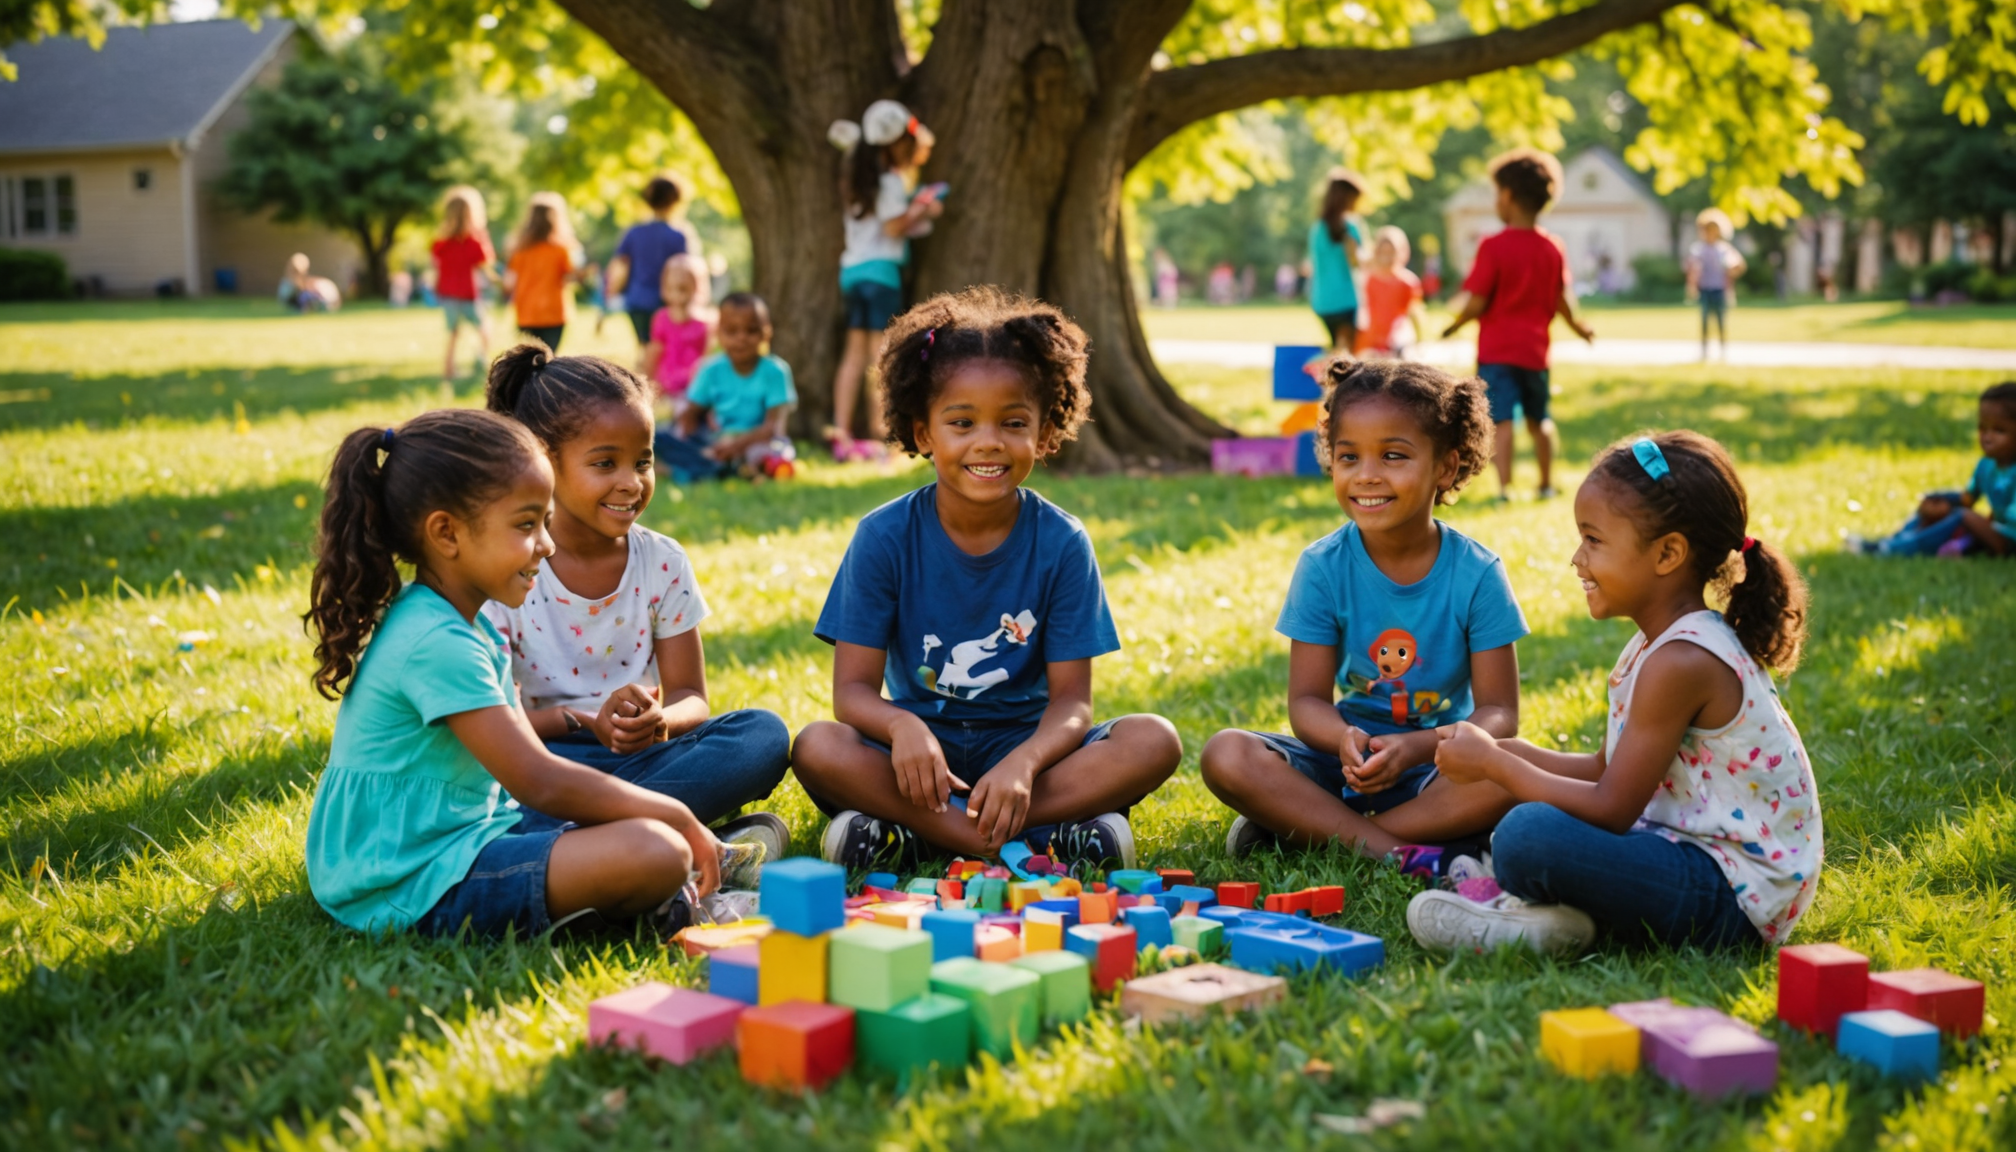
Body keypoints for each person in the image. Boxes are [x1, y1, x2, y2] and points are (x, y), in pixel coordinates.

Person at [792, 287, 1183, 871]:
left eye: (1013, 422)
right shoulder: (883, 537)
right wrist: (900, 726)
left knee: (1153, 739)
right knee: (817, 747)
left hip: (1027, 748)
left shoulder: (1062, 542)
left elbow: (1073, 703)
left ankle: (922, 836)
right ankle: (1030, 838)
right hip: (922, 756)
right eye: (962, 422)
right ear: (923, 433)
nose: (988, 441)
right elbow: (851, 693)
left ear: (1045, 433)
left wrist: (1024, 764)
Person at [301, 409, 726, 939]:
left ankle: (675, 877)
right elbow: (540, 780)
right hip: (404, 877)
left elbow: (525, 769)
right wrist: (678, 816)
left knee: (644, 833)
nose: (547, 546)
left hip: (471, 835)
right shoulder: (434, 641)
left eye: (545, 522)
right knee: (657, 850)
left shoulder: (462, 623)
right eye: (527, 526)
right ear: (446, 534)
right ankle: (665, 892)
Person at [1410, 431, 1822, 955]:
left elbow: (1610, 808)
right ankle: (1551, 920)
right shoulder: (1655, 645)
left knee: (1528, 834)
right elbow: (1607, 768)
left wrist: (1496, 767)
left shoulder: (1683, 661)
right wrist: (1512, 755)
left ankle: (1526, 911)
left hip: (1732, 901)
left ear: (1668, 553)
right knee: (1522, 786)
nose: (1577, 559)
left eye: (1594, 540)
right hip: (1688, 857)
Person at [1200, 360, 1526, 877]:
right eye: (1348, 456)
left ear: (1445, 466)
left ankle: (1313, 827)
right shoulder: (1323, 566)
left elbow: (1499, 715)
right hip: (1342, 763)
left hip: (1436, 767)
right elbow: (1306, 701)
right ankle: (1394, 848)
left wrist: (1417, 746)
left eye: (1394, 456)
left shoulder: (1478, 573)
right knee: (1227, 753)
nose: (1367, 475)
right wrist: (1343, 741)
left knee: (1512, 772)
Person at [480, 343, 792, 873]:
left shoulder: (661, 561)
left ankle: (613, 838)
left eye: (643, 461)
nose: (632, 482)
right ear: (544, 461)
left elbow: (692, 696)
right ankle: (670, 836)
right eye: (605, 463)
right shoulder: (508, 571)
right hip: (546, 765)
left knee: (762, 736)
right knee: (503, 801)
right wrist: (586, 724)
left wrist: (657, 723)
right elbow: (500, 729)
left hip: (644, 758)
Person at [1442, 149, 1595, 502]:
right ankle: (1545, 483)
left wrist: (1456, 324)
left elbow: (1477, 301)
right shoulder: (1552, 248)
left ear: (1507, 196)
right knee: (1539, 419)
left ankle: (1505, 488)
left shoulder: (1493, 246)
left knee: (1502, 422)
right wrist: (1580, 328)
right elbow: (1563, 300)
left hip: (1497, 353)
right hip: (1535, 354)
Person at [827, 99, 943, 463]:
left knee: (853, 355)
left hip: (853, 273)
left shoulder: (857, 179)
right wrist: (923, 207)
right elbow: (894, 225)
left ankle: (841, 431)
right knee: (882, 356)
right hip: (881, 275)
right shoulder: (890, 181)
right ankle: (885, 433)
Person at [1854, 381, 2016, 557]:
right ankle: (1894, 540)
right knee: (1935, 507)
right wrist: (1939, 501)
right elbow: (1968, 499)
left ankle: (1896, 549)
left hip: (2010, 541)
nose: (1987, 437)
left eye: (1999, 431)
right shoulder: (1985, 466)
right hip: (1995, 533)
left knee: (1963, 516)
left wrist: (1977, 521)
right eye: (1982, 428)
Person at [655, 292, 797, 482]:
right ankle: (715, 467)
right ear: (719, 333)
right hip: (717, 441)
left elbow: (773, 427)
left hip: (759, 442)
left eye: (751, 331)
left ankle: (709, 469)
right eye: (732, 331)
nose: (741, 338)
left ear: (766, 332)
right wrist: (688, 421)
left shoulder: (775, 371)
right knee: (658, 438)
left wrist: (736, 446)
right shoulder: (710, 369)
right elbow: (691, 412)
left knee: (771, 455)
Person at [608, 174, 699, 374]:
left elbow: (621, 266)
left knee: (644, 346)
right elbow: (688, 269)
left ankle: (644, 384)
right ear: (676, 201)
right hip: (668, 300)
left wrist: (613, 291)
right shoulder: (679, 234)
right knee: (663, 348)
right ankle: (655, 386)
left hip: (637, 299)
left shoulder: (634, 232)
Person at [431, 187, 498, 382]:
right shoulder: (473, 242)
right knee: (484, 328)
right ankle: (482, 360)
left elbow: (435, 265)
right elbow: (487, 263)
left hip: (448, 293)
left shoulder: (441, 243)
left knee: (452, 333)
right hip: (468, 294)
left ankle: (449, 370)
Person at [640, 253, 715, 416]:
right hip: (666, 385)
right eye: (670, 288)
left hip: (693, 389)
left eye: (683, 289)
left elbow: (708, 358)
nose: (676, 295)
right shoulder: (661, 318)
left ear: (697, 287)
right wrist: (647, 383)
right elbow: (654, 351)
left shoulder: (707, 322)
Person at [505, 193, 579, 352]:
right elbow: (570, 277)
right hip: (554, 312)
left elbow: (509, 282)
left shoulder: (520, 250)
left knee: (529, 360)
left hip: (527, 313)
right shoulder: (561, 249)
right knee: (550, 358)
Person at [1308, 168, 1368, 352]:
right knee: (1348, 358)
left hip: (1321, 300)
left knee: (1337, 350)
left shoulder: (1317, 228)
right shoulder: (1350, 226)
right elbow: (1357, 262)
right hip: (1346, 299)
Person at [1353, 226, 1428, 359]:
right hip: (1366, 342)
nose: (1386, 257)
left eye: (1391, 252)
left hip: (1395, 343)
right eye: (1382, 252)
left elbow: (1415, 314)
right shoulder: (1365, 279)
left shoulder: (1408, 282)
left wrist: (1420, 343)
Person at [1686, 208, 1747, 361]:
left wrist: (1733, 269)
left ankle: (1722, 350)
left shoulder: (1723, 249)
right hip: (1705, 289)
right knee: (1705, 320)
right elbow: (1692, 269)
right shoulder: (1699, 249)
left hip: (1720, 289)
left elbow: (1738, 264)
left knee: (1721, 321)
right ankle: (1704, 351)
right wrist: (1692, 286)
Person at [277, 252, 342, 314]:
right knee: (305, 296)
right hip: (296, 300)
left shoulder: (315, 284)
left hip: (326, 302)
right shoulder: (288, 283)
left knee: (306, 296)